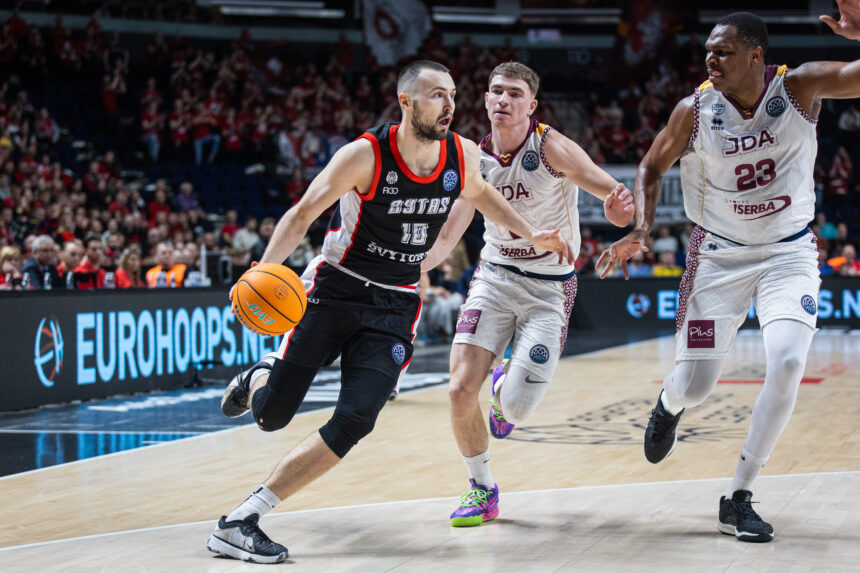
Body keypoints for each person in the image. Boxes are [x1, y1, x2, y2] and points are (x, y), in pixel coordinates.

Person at [206, 60, 574, 564]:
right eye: (435, 96)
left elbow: (483, 195)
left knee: (357, 417)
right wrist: (261, 271)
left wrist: (531, 233)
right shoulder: (365, 155)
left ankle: (242, 519)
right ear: (406, 102)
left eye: (450, 95)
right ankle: (260, 378)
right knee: (272, 417)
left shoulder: (461, 154)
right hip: (335, 290)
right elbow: (302, 214)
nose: (448, 105)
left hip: (396, 302)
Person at [596, 7, 860, 543]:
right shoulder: (693, 110)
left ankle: (739, 494)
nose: (710, 59)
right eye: (709, 51)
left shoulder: (800, 88)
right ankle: (669, 404)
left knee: (787, 362)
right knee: (696, 385)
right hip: (717, 258)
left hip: (788, 254)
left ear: (757, 56)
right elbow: (650, 166)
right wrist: (642, 232)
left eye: (724, 51)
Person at [418, 61, 633, 527]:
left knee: (515, 409)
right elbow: (447, 237)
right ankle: (482, 489)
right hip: (495, 278)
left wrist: (619, 208)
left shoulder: (552, 147)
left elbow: (609, 196)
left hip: (550, 289)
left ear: (531, 106)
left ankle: (504, 391)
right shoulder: (473, 159)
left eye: (514, 93)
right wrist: (413, 265)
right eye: (495, 91)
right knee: (457, 390)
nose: (502, 100)